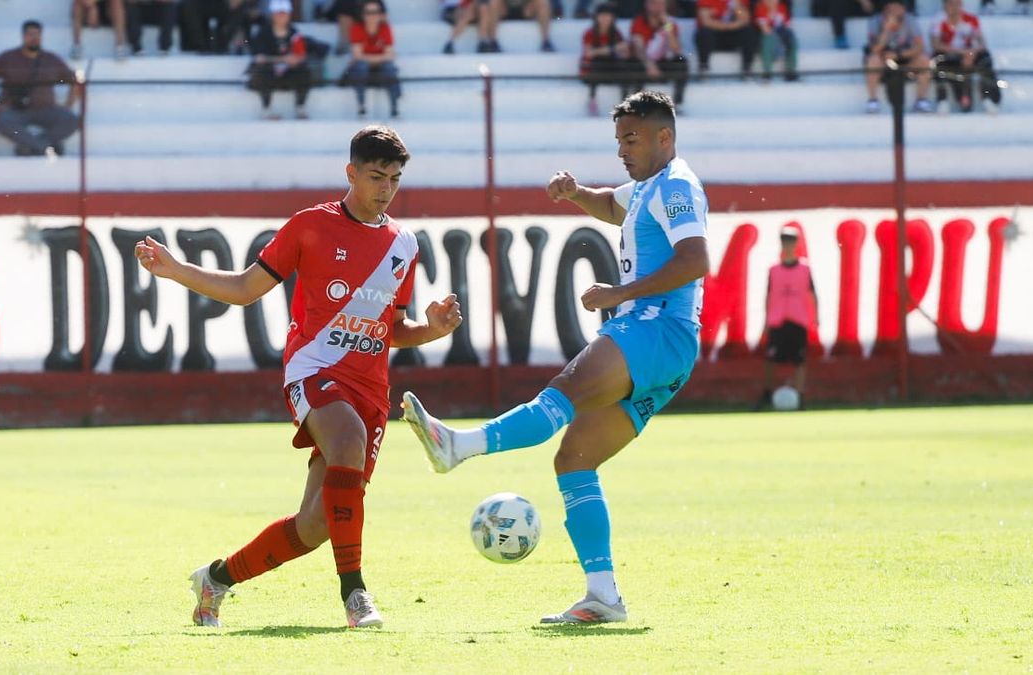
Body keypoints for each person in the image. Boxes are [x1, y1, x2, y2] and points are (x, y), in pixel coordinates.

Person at [133, 126, 462, 630]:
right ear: (350, 173)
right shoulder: (310, 226)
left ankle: (216, 580)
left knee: (318, 524)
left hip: (371, 389)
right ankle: (356, 595)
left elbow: (392, 328)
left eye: (395, 179)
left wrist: (432, 330)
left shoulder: (404, 244)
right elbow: (245, 288)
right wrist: (177, 270)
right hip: (313, 371)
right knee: (346, 438)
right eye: (376, 177)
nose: (386, 189)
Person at [402, 90, 708, 625]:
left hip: (657, 327)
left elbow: (696, 258)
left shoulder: (676, 184)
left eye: (631, 139)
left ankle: (458, 445)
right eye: (617, 140)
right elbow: (612, 206)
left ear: (665, 137)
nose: (621, 150)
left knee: (564, 392)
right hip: (666, 344)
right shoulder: (645, 188)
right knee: (575, 459)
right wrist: (576, 195)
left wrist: (620, 293)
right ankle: (603, 596)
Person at [0, 20, 81, 156]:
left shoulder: (51, 59)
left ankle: (31, 145)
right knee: (4, 123)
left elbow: (74, 80)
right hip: (15, 111)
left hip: (46, 109)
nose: (34, 38)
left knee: (71, 120)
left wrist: (68, 104)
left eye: (37, 35)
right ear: (23, 36)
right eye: (30, 34)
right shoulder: (8, 57)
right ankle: (46, 147)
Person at [755, 225, 817, 410]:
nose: (787, 244)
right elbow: (768, 294)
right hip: (777, 319)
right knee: (770, 359)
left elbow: (812, 294)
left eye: (790, 240)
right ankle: (767, 393)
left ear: (796, 243)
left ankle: (799, 396)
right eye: (784, 240)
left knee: (799, 360)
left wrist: (815, 318)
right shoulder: (774, 269)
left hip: (798, 319)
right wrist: (765, 321)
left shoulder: (805, 268)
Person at [930, 0, 1000, 114]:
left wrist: (971, 54)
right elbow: (936, 44)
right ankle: (942, 100)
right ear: (945, 5)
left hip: (969, 54)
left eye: (957, 4)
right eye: (951, 4)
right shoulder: (938, 20)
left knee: (985, 58)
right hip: (950, 56)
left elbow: (982, 43)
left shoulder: (971, 19)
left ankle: (988, 98)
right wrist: (961, 53)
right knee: (936, 60)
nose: (955, 7)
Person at [863, 0, 932, 114]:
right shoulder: (874, 21)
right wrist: (886, 29)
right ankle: (873, 101)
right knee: (873, 60)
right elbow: (874, 50)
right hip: (883, 58)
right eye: (891, 8)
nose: (894, 11)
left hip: (905, 57)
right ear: (885, 9)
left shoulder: (910, 20)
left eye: (898, 7)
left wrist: (898, 55)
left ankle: (921, 100)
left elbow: (919, 47)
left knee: (924, 60)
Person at [247, 0, 312, 119]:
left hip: (287, 75)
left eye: (285, 13)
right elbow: (260, 58)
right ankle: (266, 109)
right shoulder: (263, 33)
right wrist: (282, 59)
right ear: (272, 15)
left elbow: (301, 53)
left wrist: (295, 60)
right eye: (278, 13)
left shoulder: (294, 32)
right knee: (262, 71)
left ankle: (300, 107)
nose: (282, 17)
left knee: (304, 70)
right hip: (268, 75)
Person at [628, 0, 689, 115]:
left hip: (663, 63)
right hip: (644, 62)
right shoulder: (639, 21)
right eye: (655, 3)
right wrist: (649, 65)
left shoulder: (670, 23)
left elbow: (676, 49)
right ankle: (637, 105)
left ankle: (677, 103)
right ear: (647, 5)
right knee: (633, 64)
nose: (659, 7)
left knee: (682, 62)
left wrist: (667, 26)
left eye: (662, 4)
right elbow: (638, 48)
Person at [343, 0, 401, 118]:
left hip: (379, 71)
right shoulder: (356, 27)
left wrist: (366, 57)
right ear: (363, 15)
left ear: (381, 14)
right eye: (368, 12)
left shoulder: (385, 28)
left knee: (389, 67)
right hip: (362, 70)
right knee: (361, 66)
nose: (372, 16)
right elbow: (357, 55)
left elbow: (390, 55)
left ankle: (394, 108)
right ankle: (361, 106)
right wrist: (381, 57)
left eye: (375, 12)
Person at [580, 2, 632, 116]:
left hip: (609, 68)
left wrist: (624, 50)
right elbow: (589, 53)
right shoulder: (590, 33)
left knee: (625, 69)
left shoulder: (616, 33)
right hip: (592, 70)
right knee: (596, 64)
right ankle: (592, 100)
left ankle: (625, 103)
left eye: (608, 16)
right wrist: (612, 49)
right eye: (602, 16)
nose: (605, 19)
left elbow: (624, 52)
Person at [693, 0, 757, 80]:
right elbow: (706, 21)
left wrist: (737, 7)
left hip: (731, 34)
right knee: (704, 33)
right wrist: (727, 26)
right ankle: (703, 68)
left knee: (748, 31)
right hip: (714, 36)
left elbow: (745, 19)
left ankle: (747, 68)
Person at [755, 0, 797, 81]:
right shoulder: (761, 7)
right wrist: (772, 11)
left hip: (781, 34)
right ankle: (767, 72)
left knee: (792, 39)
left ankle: (790, 71)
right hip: (765, 36)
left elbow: (787, 25)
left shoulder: (782, 7)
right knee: (768, 39)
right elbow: (765, 29)